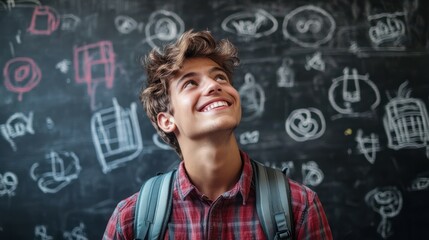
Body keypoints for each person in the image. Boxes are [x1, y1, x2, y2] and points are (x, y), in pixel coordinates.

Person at [103, 29, 333, 240]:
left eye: (220, 77)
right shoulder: (130, 220)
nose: (214, 86)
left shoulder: (299, 206)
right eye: (190, 83)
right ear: (166, 120)